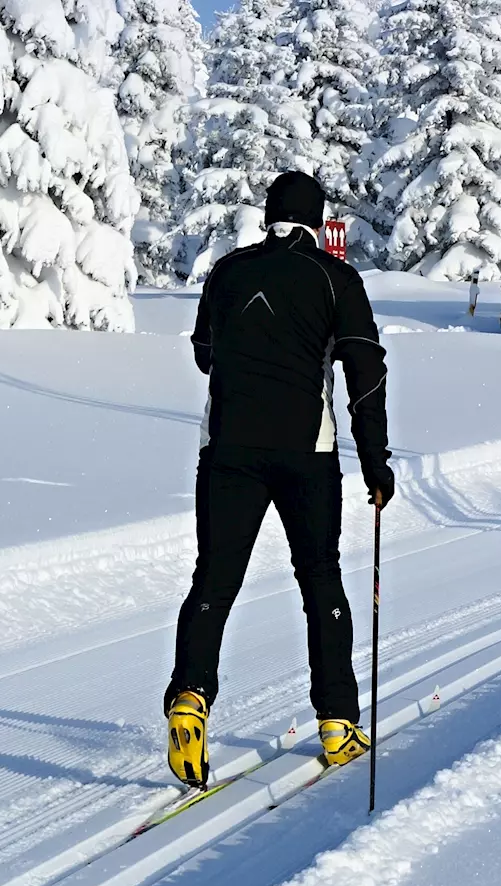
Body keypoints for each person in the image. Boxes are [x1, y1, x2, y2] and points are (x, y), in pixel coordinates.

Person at [164, 171, 395, 788]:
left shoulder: (226, 271)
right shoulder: (335, 278)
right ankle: (339, 721)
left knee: (213, 579)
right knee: (320, 577)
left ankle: (190, 696)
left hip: (229, 450)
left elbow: (203, 351)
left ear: (269, 216)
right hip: (307, 454)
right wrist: (376, 461)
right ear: (317, 221)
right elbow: (365, 372)